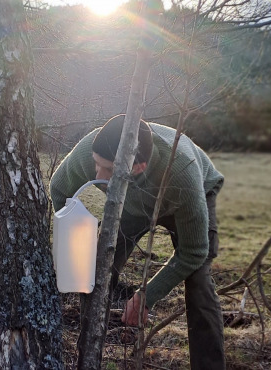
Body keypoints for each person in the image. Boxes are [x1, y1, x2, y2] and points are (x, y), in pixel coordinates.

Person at [50, 114, 225, 369]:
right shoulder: (91, 149)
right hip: (130, 206)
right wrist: (75, 239)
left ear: (136, 167)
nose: (97, 174)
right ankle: (88, 357)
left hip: (183, 202)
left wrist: (147, 295)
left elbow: (194, 252)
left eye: (108, 170)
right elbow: (59, 188)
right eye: (96, 164)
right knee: (97, 271)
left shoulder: (182, 174)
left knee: (198, 282)